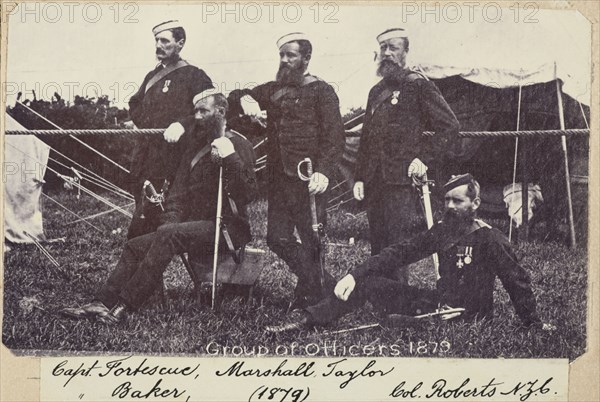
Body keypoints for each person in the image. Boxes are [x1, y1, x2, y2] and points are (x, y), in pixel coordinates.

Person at [267, 174, 555, 333]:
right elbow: (400, 252)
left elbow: (517, 281)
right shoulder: (443, 232)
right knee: (369, 284)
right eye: (447, 201)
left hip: (467, 316)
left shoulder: (490, 238)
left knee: (393, 324)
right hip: (437, 304)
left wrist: (534, 323)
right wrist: (355, 274)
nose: (451, 206)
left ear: (475, 202)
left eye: (459, 201)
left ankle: (399, 322)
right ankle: (309, 319)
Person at [60, 92, 257, 324]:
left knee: (169, 234)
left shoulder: (239, 144)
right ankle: (101, 302)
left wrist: (231, 157)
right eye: (195, 111)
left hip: (228, 229)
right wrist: (168, 224)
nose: (197, 116)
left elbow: (248, 194)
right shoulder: (195, 149)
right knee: (135, 245)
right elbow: (178, 195)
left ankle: (123, 307)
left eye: (204, 111)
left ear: (221, 112)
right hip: (194, 228)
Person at [228, 33, 345, 308]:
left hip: (310, 179)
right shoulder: (272, 90)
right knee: (277, 238)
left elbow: (335, 137)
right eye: (281, 55)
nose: (284, 60)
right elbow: (232, 97)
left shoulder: (322, 91)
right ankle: (329, 286)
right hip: (279, 180)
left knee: (312, 239)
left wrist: (324, 172)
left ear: (306, 58)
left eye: (290, 55)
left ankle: (311, 296)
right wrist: (246, 99)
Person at [352, 28, 460, 285]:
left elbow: (450, 126)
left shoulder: (419, 85)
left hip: (401, 181)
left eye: (394, 48)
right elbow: (366, 139)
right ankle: (381, 296)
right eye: (384, 48)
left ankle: (398, 301)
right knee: (377, 242)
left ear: (406, 52)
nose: (387, 54)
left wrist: (424, 158)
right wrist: (359, 177)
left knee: (397, 245)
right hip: (375, 181)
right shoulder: (375, 92)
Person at [126, 20, 214, 239]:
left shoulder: (194, 75)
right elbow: (134, 104)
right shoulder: (150, 77)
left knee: (150, 228)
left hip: (175, 162)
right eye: (156, 40)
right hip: (146, 160)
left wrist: (182, 124)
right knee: (144, 225)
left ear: (180, 43)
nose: (158, 45)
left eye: (165, 40)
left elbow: (212, 111)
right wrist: (148, 128)